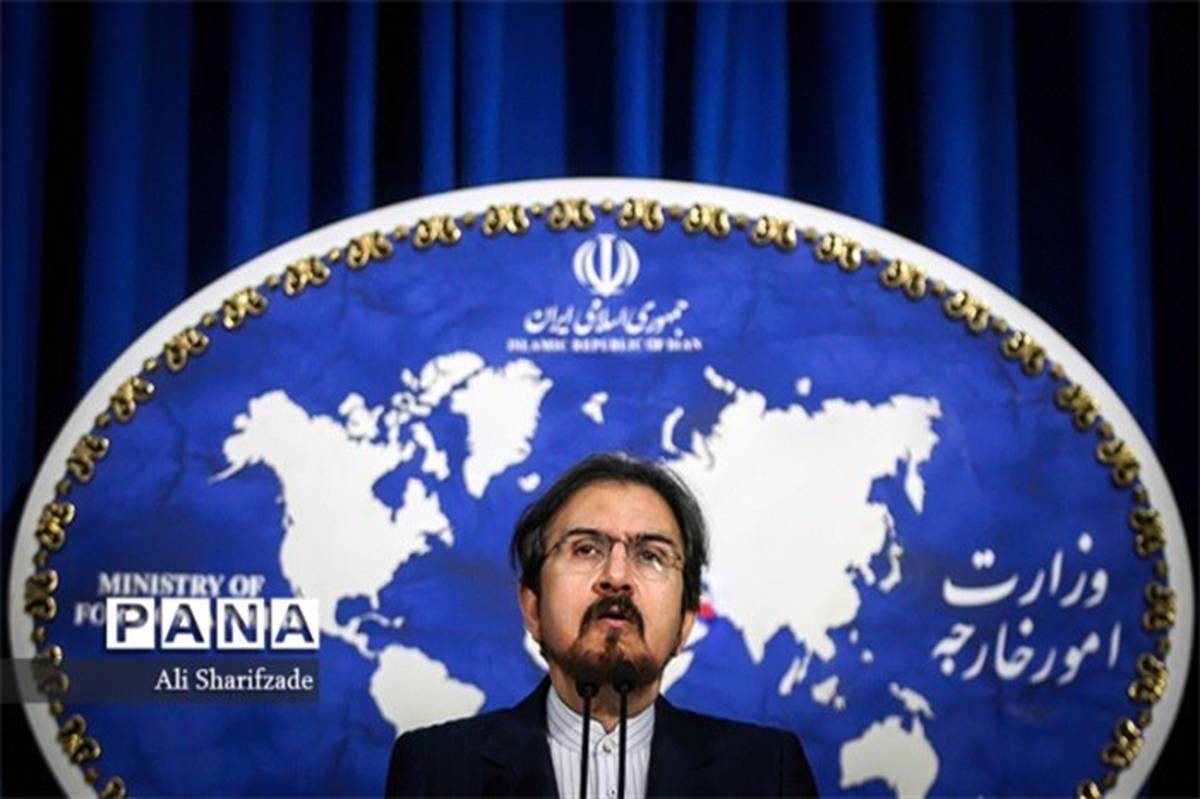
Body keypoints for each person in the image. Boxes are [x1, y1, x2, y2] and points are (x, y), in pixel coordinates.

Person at [386, 452, 818, 797]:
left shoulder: (767, 773)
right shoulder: (435, 771)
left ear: (686, 622)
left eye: (651, 555)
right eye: (586, 549)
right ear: (533, 608)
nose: (617, 576)